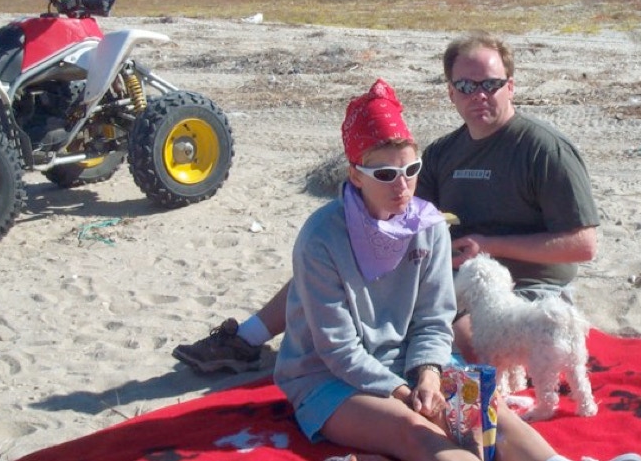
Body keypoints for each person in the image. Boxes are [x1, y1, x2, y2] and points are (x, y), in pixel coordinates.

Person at [172, 30, 600, 370]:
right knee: (337, 254)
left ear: (511, 86)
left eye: (490, 84)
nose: (479, 95)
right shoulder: (444, 153)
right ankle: (246, 339)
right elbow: (400, 213)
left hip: (523, 291)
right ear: (451, 92)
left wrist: (489, 245)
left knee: (469, 344)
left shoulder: (543, 150)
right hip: (450, 275)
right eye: (466, 85)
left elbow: (583, 246)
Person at [271, 78, 590, 461]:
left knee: (489, 415)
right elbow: (337, 349)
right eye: (385, 174)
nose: (402, 185)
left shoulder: (429, 226)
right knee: (418, 432)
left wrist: (428, 373)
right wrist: (403, 393)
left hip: (412, 361)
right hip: (327, 376)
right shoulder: (321, 238)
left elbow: (434, 318)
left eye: (412, 169)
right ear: (355, 176)